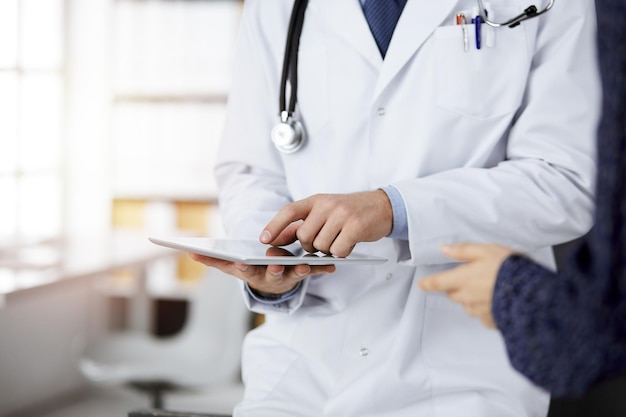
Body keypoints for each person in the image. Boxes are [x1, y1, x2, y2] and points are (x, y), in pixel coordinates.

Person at [190, 0, 601, 415]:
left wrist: (395, 208)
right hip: (299, 372)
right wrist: (270, 264)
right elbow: (250, 169)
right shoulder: (277, 7)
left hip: (462, 374)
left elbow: (566, 179)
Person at [419, 0, 626, 400]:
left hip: (468, 374)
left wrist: (511, 292)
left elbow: (595, 325)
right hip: (300, 374)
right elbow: (260, 176)